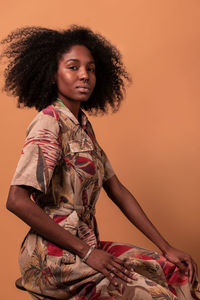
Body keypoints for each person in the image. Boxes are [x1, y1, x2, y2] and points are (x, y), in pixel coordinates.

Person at [2, 25, 199, 300]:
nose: (85, 75)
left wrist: (167, 248)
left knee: (172, 271)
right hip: (55, 259)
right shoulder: (49, 122)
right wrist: (88, 253)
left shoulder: (83, 127)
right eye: (73, 67)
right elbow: (17, 200)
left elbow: (118, 190)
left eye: (91, 68)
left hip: (85, 248)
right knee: (156, 295)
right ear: (52, 73)